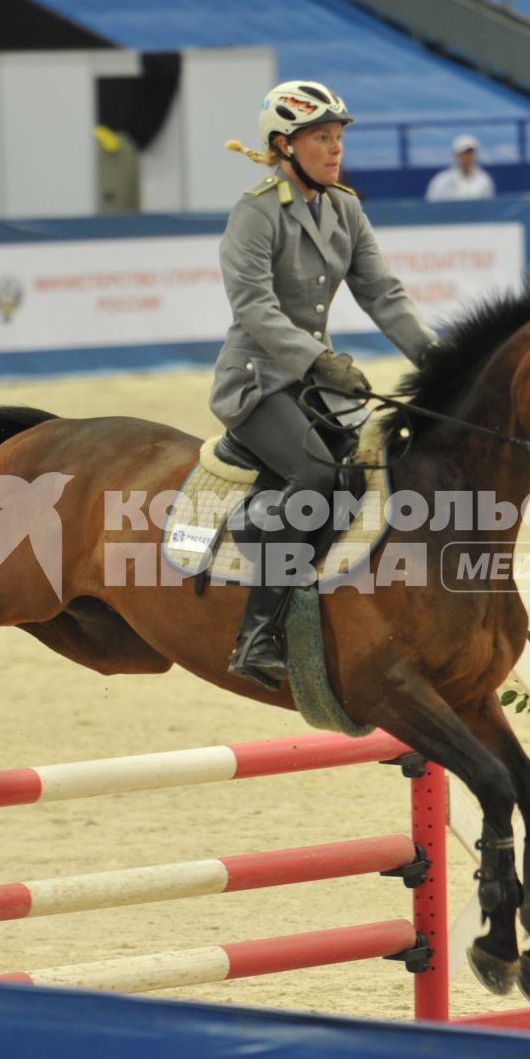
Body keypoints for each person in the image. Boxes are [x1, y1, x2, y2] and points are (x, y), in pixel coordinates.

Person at [217, 80, 435, 687]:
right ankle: (256, 635)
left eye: (338, 138)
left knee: (377, 470)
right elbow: (255, 308)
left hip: (320, 384)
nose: (335, 150)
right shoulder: (256, 212)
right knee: (314, 475)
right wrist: (317, 359)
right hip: (258, 381)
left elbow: (384, 295)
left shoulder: (345, 208)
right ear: (284, 144)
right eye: (322, 139)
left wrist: (442, 362)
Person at [425, 133, 496, 202]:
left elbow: (487, 207)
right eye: (463, 153)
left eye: (470, 153)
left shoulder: (484, 180)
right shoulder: (441, 180)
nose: (467, 157)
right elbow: (431, 205)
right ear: (455, 155)